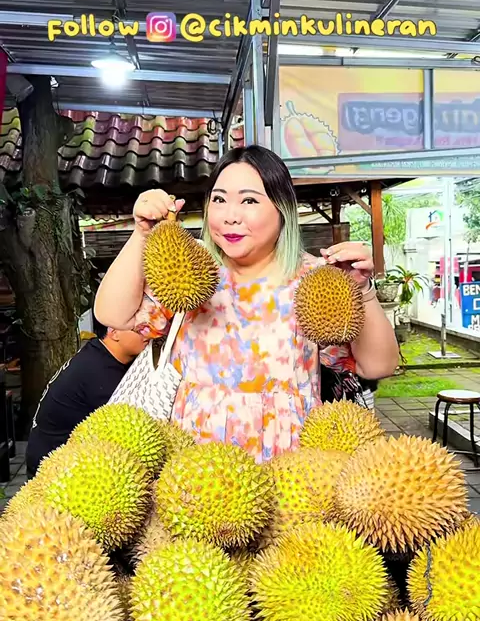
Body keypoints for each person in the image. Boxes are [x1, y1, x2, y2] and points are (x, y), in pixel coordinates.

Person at [95, 145, 398, 463]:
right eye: (219, 200)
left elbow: (378, 366)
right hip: (196, 464)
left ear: (282, 209)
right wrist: (142, 234)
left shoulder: (314, 279)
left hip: (288, 467)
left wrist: (362, 289)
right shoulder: (191, 269)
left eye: (249, 200)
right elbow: (113, 314)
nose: (230, 216)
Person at [25, 318, 147, 477]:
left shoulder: (98, 352)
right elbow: (136, 424)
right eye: (139, 330)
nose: (148, 333)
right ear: (114, 332)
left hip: (58, 454)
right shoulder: (99, 373)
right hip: (53, 469)